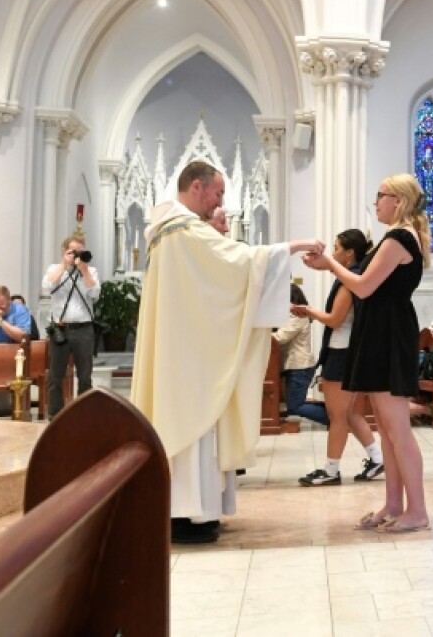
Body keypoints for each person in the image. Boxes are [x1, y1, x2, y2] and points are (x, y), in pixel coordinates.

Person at [130, 160, 321, 544]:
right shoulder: (183, 231)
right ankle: (188, 515)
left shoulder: (168, 232)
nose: (220, 204)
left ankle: (196, 512)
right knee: (194, 428)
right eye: (217, 193)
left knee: (198, 428)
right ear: (196, 187)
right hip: (189, 357)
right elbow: (240, 263)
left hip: (187, 348)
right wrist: (294, 246)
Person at [305, 174, 430, 533]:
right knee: (386, 429)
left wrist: (330, 264)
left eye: (381, 195)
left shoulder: (399, 238)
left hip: (389, 333)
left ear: (399, 200)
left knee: (397, 428)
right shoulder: (392, 239)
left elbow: (363, 286)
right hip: (377, 331)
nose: (375, 202)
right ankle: (393, 504)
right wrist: (330, 266)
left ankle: (417, 510)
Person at [293, 229, 384, 486]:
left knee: (337, 416)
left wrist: (309, 311)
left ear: (349, 253)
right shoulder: (352, 276)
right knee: (352, 412)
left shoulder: (349, 281)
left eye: (336, 248)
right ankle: (377, 459)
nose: (333, 253)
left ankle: (331, 470)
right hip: (347, 351)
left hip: (341, 353)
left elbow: (335, 319)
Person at [40, 235, 100, 418]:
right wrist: (64, 265)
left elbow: (95, 293)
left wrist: (84, 270)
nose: (77, 255)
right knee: (56, 376)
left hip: (83, 329)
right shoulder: (54, 269)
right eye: (73, 251)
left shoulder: (91, 271)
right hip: (61, 329)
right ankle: (55, 416)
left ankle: (83, 416)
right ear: (64, 251)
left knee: (84, 376)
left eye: (80, 251)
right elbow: (46, 287)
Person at [274, 283, 319, 423]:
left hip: (300, 367)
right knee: (294, 404)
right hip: (298, 366)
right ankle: (335, 415)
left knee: (295, 406)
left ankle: (334, 418)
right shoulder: (298, 316)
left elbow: (279, 338)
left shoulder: (298, 317)